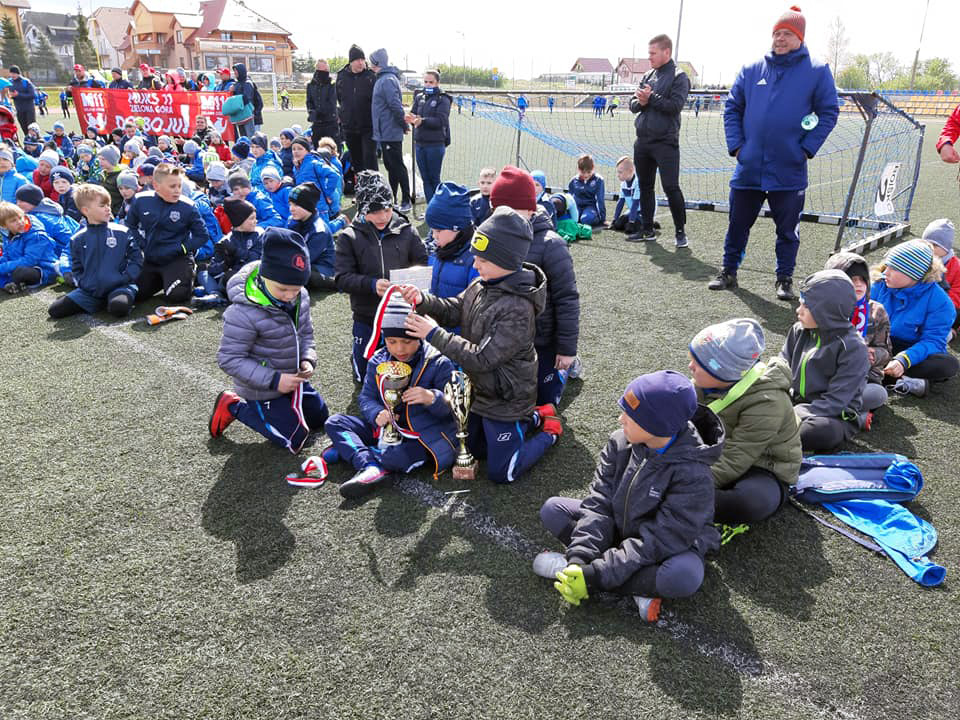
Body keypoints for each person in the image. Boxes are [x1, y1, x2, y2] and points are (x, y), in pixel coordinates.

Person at [533, 370, 723, 621]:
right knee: (553, 510)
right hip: (620, 528)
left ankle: (585, 574)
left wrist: (594, 576)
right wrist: (580, 558)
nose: (621, 418)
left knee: (684, 576)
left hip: (662, 547)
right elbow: (598, 504)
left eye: (631, 416)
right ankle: (625, 583)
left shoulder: (694, 475)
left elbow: (657, 540)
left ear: (657, 426)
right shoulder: (619, 442)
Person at [401, 206, 562, 485]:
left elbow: (481, 358)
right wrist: (423, 300)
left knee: (502, 473)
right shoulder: (481, 283)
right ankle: (534, 418)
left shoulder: (518, 308)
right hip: (480, 394)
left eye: (482, 260)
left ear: (506, 260)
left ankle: (549, 431)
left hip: (506, 400)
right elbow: (454, 309)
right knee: (474, 450)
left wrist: (433, 333)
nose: (475, 265)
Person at [709, 7, 839, 300]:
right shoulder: (752, 69)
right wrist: (739, 147)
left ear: (800, 38)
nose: (780, 39)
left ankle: (784, 279)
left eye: (787, 34)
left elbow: (828, 111)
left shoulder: (817, 71)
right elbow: (733, 108)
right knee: (737, 224)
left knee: (787, 231)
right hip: (749, 166)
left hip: (789, 168)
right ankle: (728, 270)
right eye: (777, 33)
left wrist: (805, 147)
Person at [325, 291, 460, 498]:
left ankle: (357, 453)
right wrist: (376, 413)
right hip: (385, 429)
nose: (399, 349)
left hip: (422, 436)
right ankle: (370, 464)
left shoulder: (439, 361)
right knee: (335, 422)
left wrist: (431, 398)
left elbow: (454, 409)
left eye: (407, 341)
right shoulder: (378, 360)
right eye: (392, 341)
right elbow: (366, 397)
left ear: (420, 337)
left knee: (393, 457)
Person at [210, 228, 329, 456]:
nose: (290, 295)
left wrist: (307, 359)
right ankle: (233, 405)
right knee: (293, 439)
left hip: (293, 380)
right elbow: (229, 358)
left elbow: (305, 333)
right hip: (261, 388)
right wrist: (274, 380)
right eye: (283, 289)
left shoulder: (300, 295)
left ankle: (285, 402)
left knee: (320, 418)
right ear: (264, 277)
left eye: (296, 289)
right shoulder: (243, 311)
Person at [688, 319, 801, 525]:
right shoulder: (703, 384)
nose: (690, 367)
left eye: (698, 364)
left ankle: (682, 502)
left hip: (763, 468)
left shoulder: (767, 401)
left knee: (747, 503)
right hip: (716, 453)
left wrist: (688, 486)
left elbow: (736, 456)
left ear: (723, 372)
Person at [490, 166, 582, 407]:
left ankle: (564, 371)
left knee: (544, 398)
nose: (503, 217)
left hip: (543, 340)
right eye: (497, 211)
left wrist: (566, 348)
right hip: (509, 340)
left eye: (511, 210)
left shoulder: (552, 245)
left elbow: (567, 298)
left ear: (530, 209)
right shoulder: (494, 239)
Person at [335, 170, 427, 382]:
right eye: (374, 212)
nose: (382, 217)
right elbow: (341, 278)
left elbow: (422, 262)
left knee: (404, 367)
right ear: (362, 209)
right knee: (365, 371)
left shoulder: (406, 230)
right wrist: (371, 284)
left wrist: (412, 281)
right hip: (366, 316)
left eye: (386, 209)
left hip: (402, 314)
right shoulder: (349, 237)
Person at [781, 270, 868, 453]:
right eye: (800, 304)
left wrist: (793, 415)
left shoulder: (853, 348)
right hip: (794, 404)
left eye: (806, 306)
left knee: (817, 432)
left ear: (827, 311)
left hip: (832, 415)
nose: (798, 311)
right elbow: (780, 368)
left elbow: (835, 402)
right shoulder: (799, 330)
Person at [871, 239, 960, 396]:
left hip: (908, 347)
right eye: (887, 265)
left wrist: (903, 360)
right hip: (876, 343)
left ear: (914, 274)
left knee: (948, 365)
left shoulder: (941, 303)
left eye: (894, 268)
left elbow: (933, 341)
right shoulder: (879, 284)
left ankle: (882, 375)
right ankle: (900, 380)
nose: (886, 272)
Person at [628, 34, 690, 247]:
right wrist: (642, 101)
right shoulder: (647, 74)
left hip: (666, 142)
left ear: (667, 52)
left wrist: (650, 98)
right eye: (649, 53)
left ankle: (680, 233)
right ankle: (647, 230)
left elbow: (675, 106)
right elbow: (633, 104)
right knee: (645, 187)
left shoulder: (679, 76)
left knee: (671, 187)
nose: (649, 57)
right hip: (643, 142)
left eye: (653, 53)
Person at [47, 184, 142, 319]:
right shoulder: (78, 238)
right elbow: (77, 266)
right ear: (86, 210)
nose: (108, 209)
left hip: (119, 286)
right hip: (90, 291)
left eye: (108, 204)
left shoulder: (122, 232)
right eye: (102, 206)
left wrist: (125, 278)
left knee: (118, 308)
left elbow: (136, 259)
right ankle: (98, 301)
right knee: (55, 311)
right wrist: (83, 283)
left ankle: (112, 299)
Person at [125, 163, 210, 304]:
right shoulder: (141, 200)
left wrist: (180, 248)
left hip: (177, 258)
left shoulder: (188, 206)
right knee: (136, 295)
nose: (177, 191)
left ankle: (193, 272)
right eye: (172, 186)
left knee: (177, 297)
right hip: (151, 257)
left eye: (179, 186)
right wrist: (141, 244)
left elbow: (202, 236)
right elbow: (130, 226)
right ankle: (162, 279)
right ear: (156, 185)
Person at [824, 251, 892, 425]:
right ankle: (853, 417)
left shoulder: (876, 311)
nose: (859, 284)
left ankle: (835, 412)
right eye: (852, 280)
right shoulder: (822, 309)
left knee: (878, 394)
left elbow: (886, 352)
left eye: (863, 279)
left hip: (863, 377)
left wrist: (872, 355)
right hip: (826, 375)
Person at [370, 48, 412, 212]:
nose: (370, 64)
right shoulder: (383, 78)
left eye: (372, 61)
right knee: (390, 165)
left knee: (397, 165)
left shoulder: (386, 80)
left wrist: (403, 124)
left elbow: (394, 105)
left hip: (390, 131)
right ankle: (393, 198)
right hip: (384, 131)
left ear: (377, 62)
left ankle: (406, 200)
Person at [425, 182, 478, 299]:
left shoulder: (476, 261)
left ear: (456, 228)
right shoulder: (441, 248)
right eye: (432, 230)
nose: (434, 236)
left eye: (438, 231)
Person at [407, 69, 452, 204]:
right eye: (425, 82)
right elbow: (414, 114)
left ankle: (438, 209)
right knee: (426, 179)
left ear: (437, 82)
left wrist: (423, 121)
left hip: (435, 145)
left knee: (434, 178)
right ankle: (430, 209)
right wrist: (410, 118)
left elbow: (441, 121)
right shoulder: (419, 97)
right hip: (420, 144)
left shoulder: (443, 99)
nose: (427, 85)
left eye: (431, 82)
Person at [206, 198, 263, 295]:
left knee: (231, 276)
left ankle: (216, 292)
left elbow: (256, 259)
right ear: (239, 221)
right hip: (231, 279)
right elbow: (213, 270)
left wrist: (236, 252)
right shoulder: (226, 240)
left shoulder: (259, 234)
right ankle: (215, 294)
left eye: (255, 218)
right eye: (251, 218)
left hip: (254, 276)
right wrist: (226, 263)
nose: (255, 221)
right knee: (203, 269)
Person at [287, 181, 337, 291]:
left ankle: (335, 283)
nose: (291, 209)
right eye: (290, 204)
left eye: (296, 205)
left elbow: (305, 259)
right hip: (300, 260)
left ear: (308, 206)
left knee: (301, 273)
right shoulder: (293, 220)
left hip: (321, 267)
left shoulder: (319, 230)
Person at [0, 201, 57, 294]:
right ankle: (7, 284)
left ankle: (12, 282)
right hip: (19, 264)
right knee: (5, 266)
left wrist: (2, 268)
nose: (20, 222)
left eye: (20, 217)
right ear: (4, 226)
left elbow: (29, 260)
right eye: (13, 221)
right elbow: (7, 255)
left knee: (20, 272)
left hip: (41, 269)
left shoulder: (36, 234)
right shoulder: (7, 234)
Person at [336, 45, 378, 172]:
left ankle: (375, 188)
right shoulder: (341, 76)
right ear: (351, 62)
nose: (361, 63)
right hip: (349, 126)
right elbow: (339, 97)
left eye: (362, 59)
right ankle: (361, 187)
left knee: (370, 158)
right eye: (357, 60)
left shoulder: (371, 76)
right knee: (356, 160)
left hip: (368, 126)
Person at [922, 219, 960, 336]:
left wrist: (938, 309)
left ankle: (950, 333)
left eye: (935, 245)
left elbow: (956, 295)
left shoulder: (957, 266)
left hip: (947, 306)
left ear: (946, 248)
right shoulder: (920, 260)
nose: (930, 248)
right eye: (926, 244)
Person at [307, 60, 339, 146]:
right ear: (317, 69)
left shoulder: (332, 84)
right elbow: (309, 102)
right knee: (317, 149)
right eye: (323, 70)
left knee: (332, 148)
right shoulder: (310, 85)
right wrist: (312, 112)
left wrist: (321, 113)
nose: (326, 72)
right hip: (317, 124)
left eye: (327, 70)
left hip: (330, 123)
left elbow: (332, 102)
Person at [567, 154, 605, 227]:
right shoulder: (574, 181)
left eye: (589, 172)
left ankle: (595, 216)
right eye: (583, 172)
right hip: (577, 206)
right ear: (578, 169)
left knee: (585, 219)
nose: (586, 175)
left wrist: (603, 219)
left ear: (593, 168)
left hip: (590, 207)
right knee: (572, 218)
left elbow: (600, 199)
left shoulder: (598, 180)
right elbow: (569, 199)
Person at [610, 156, 641, 235]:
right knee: (618, 225)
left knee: (630, 228)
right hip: (633, 211)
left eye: (620, 172)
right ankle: (633, 221)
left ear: (630, 171)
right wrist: (615, 219)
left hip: (643, 212)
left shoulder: (638, 182)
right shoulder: (623, 184)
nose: (618, 175)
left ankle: (650, 223)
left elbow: (635, 204)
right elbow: (621, 202)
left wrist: (631, 222)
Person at [229, 63, 260, 138]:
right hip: (240, 114)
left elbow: (247, 98)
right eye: (234, 70)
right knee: (243, 137)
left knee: (251, 137)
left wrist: (234, 91)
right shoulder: (237, 84)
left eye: (236, 70)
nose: (235, 72)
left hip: (247, 114)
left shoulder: (247, 83)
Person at [8, 65, 36, 134]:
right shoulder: (10, 82)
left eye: (14, 73)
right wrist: (12, 96)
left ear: (18, 73)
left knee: (32, 129)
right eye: (11, 73)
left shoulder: (25, 82)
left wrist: (19, 94)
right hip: (19, 110)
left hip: (29, 109)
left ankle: (36, 143)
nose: (12, 75)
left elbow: (32, 95)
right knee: (24, 129)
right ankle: (27, 143)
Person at [97, 145, 123, 215]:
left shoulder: (120, 176)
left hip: (114, 213)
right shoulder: (103, 173)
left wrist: (116, 213)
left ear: (112, 160)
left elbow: (124, 199)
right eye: (99, 159)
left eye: (103, 159)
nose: (100, 162)